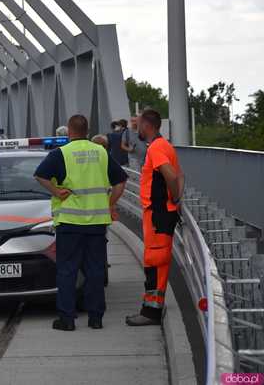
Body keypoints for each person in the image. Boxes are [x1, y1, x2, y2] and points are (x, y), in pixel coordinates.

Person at [34, 115, 127, 331]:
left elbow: (40, 175)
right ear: (87, 130)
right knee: (95, 270)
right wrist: (109, 204)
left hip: (69, 223)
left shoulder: (61, 154)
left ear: (69, 132)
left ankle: (67, 319)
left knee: (67, 271)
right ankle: (95, 318)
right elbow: (121, 181)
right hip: (96, 223)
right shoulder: (101, 152)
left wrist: (57, 191)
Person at [126, 110, 184, 326]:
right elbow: (180, 176)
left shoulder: (157, 148)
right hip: (160, 212)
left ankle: (151, 312)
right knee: (155, 261)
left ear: (147, 126)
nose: (136, 129)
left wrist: (174, 199)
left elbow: (170, 174)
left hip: (158, 214)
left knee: (155, 262)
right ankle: (151, 307)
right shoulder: (165, 146)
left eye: (138, 124)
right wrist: (175, 201)